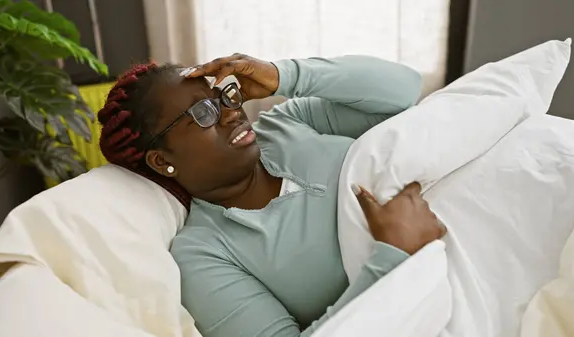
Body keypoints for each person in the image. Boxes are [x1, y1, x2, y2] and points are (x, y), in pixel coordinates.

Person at [97, 53, 447, 337]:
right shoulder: (205, 255)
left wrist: (285, 76)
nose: (232, 112)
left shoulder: (287, 124)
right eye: (203, 113)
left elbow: (404, 90)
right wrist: (394, 257)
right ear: (162, 160)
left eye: (222, 96)